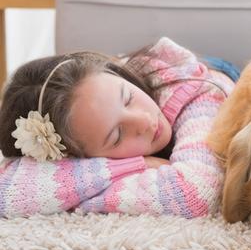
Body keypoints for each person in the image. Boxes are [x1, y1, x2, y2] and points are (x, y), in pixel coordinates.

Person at [0, 37, 236, 218]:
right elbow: (6, 191)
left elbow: (197, 195)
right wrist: (133, 166)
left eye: (128, 98)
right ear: (78, 159)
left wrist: (78, 200)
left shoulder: (202, 95)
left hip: (212, 73)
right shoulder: (93, 112)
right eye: (118, 135)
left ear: (115, 73)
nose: (144, 121)